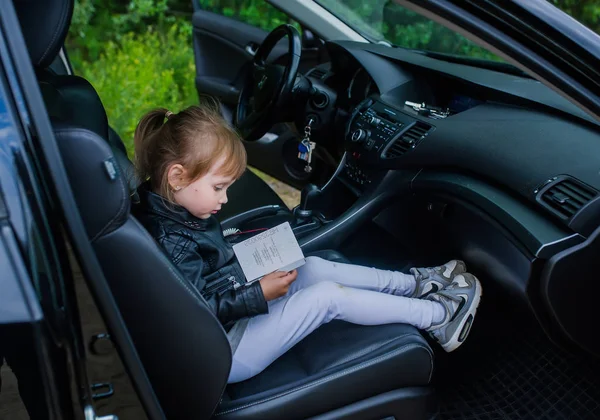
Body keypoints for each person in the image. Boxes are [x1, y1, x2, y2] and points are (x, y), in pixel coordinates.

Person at [132, 102, 482, 384]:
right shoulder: (170, 241)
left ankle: (415, 284)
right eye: (218, 187)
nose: (224, 199)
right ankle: (437, 317)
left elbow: (209, 273)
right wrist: (258, 293)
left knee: (309, 266)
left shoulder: (172, 208)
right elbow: (198, 312)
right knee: (326, 298)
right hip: (225, 351)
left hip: (228, 324)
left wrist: (253, 271)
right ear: (177, 176)